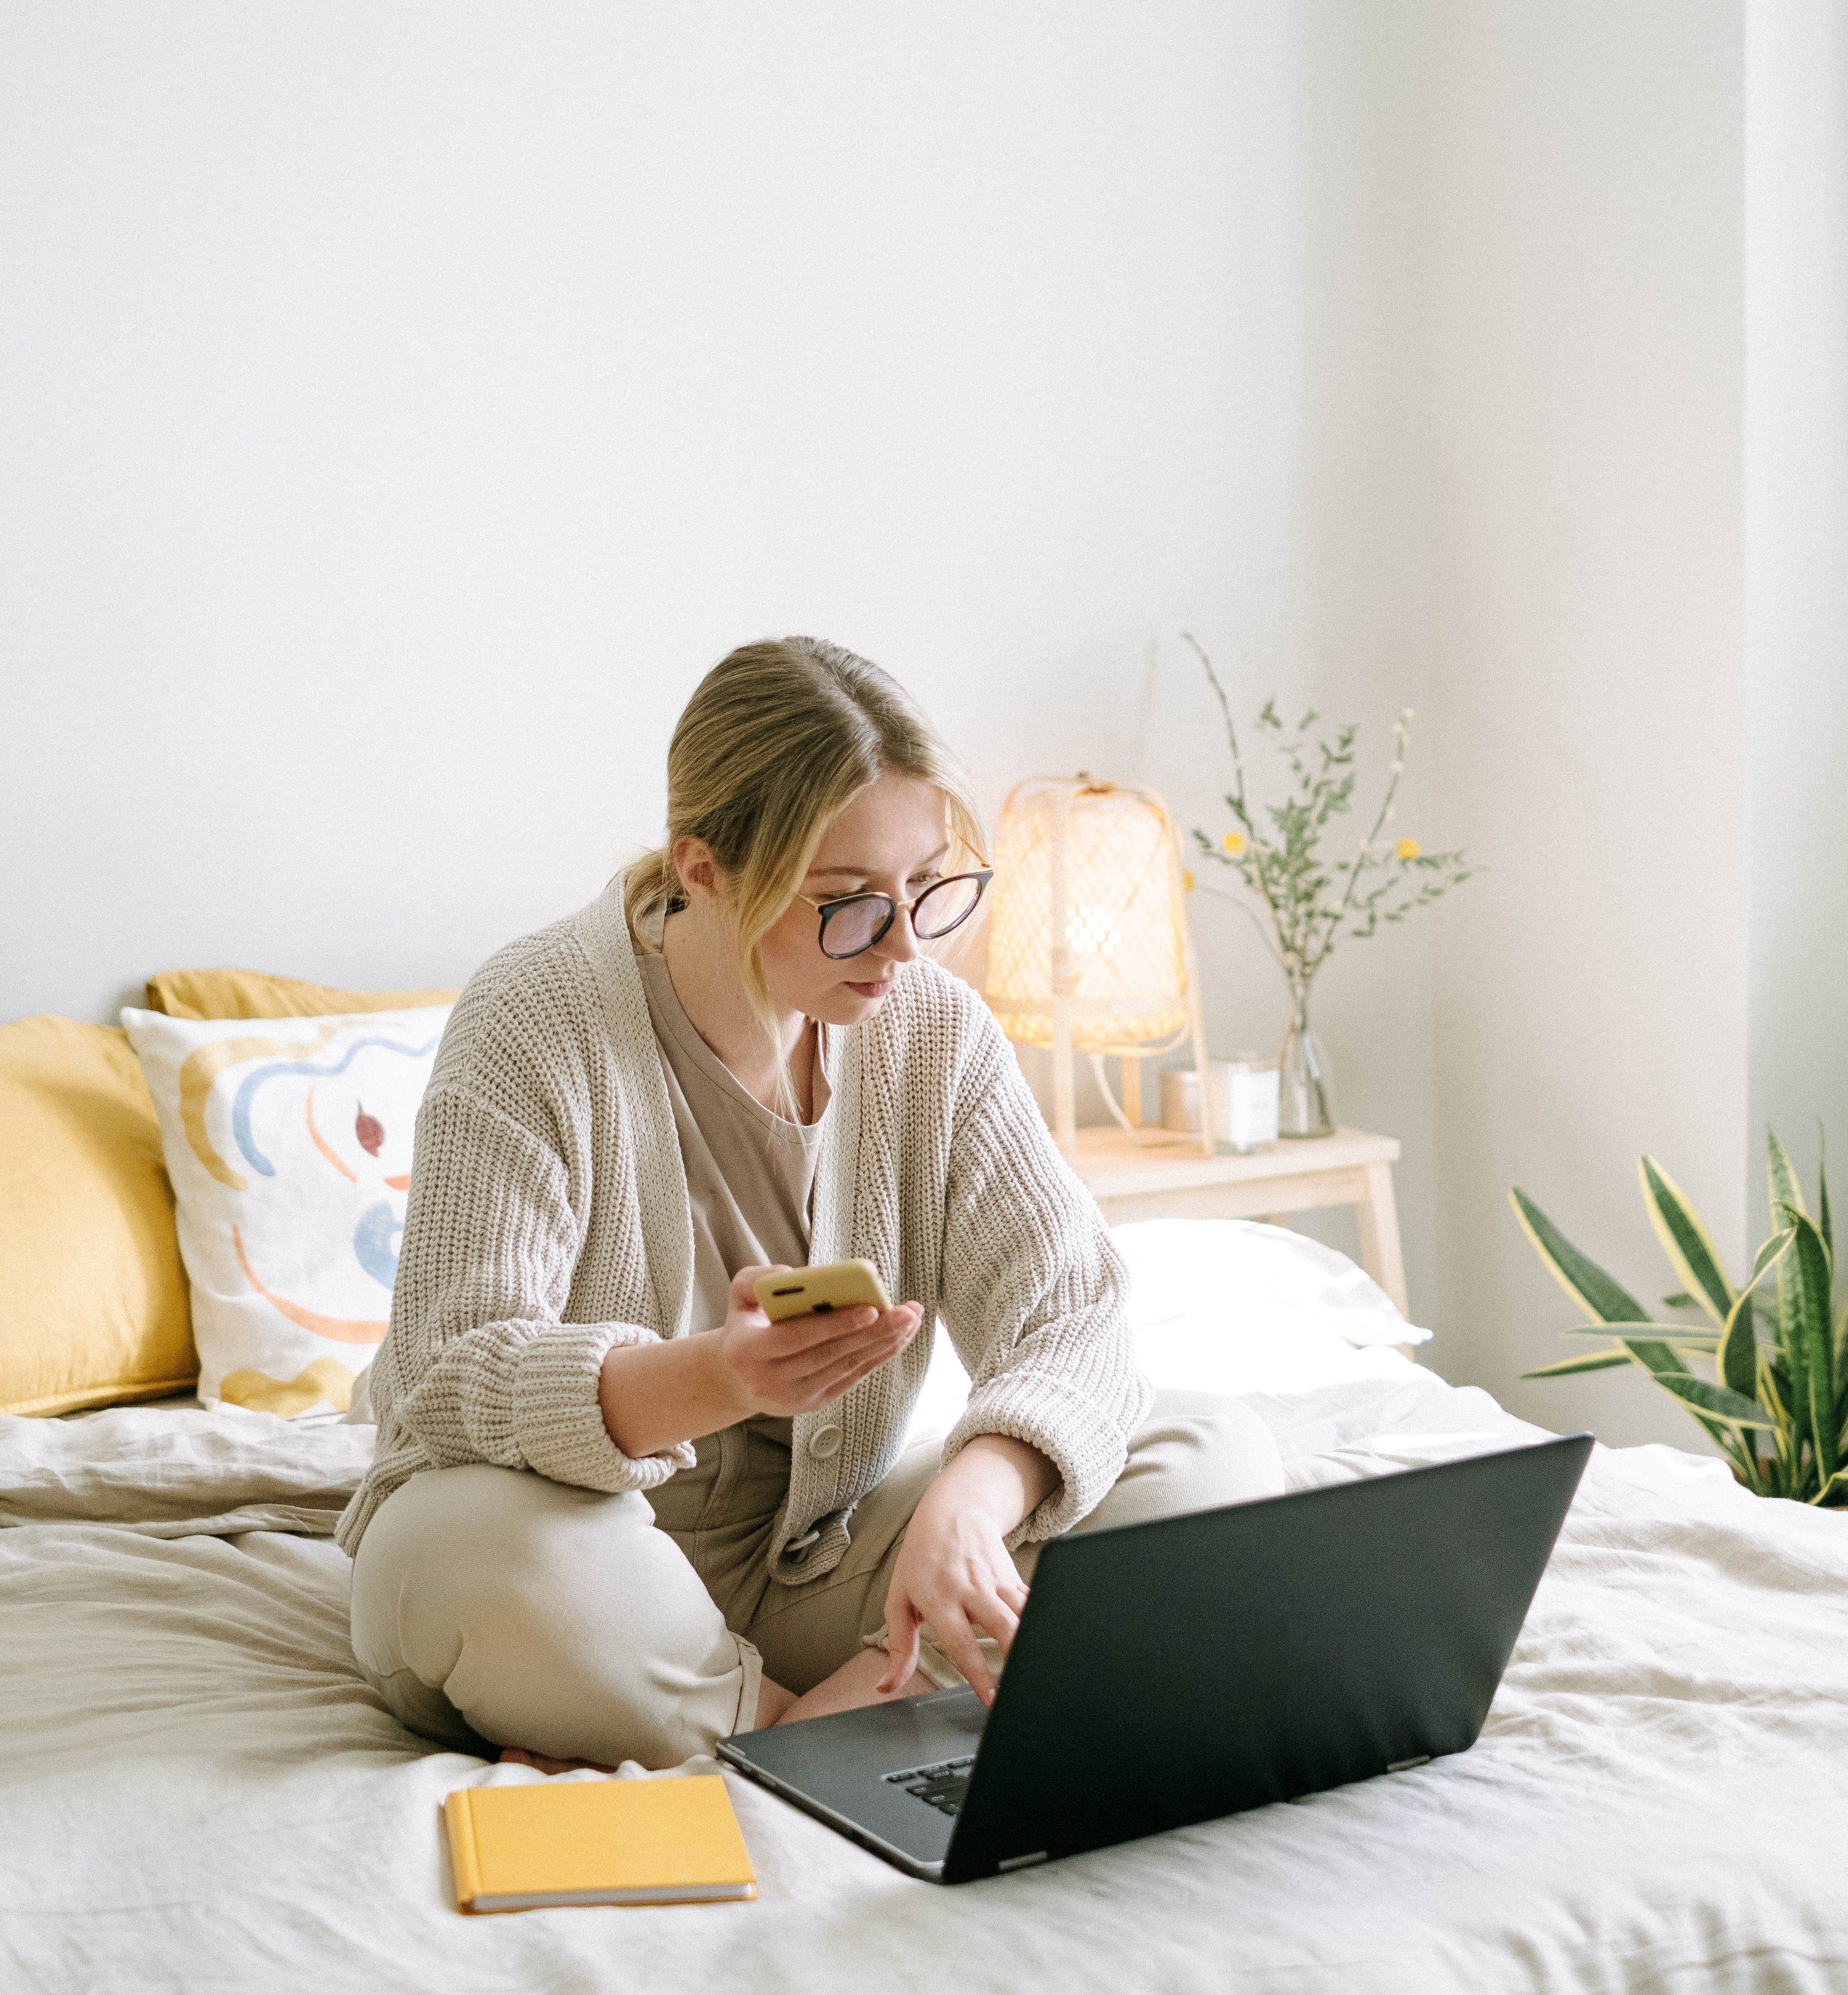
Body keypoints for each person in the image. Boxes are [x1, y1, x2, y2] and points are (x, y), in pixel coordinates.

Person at [340, 635, 1284, 1770]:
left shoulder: (930, 1028)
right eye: (845, 904)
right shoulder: (533, 1018)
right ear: (704, 869)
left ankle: (801, 1730)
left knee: (1205, 1450)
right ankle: (860, 1718)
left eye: (929, 888)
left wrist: (975, 1500)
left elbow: (1070, 1317)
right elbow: (450, 1371)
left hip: (815, 1569)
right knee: (462, 1550)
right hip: (581, 1566)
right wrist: (719, 1376)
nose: (901, 945)